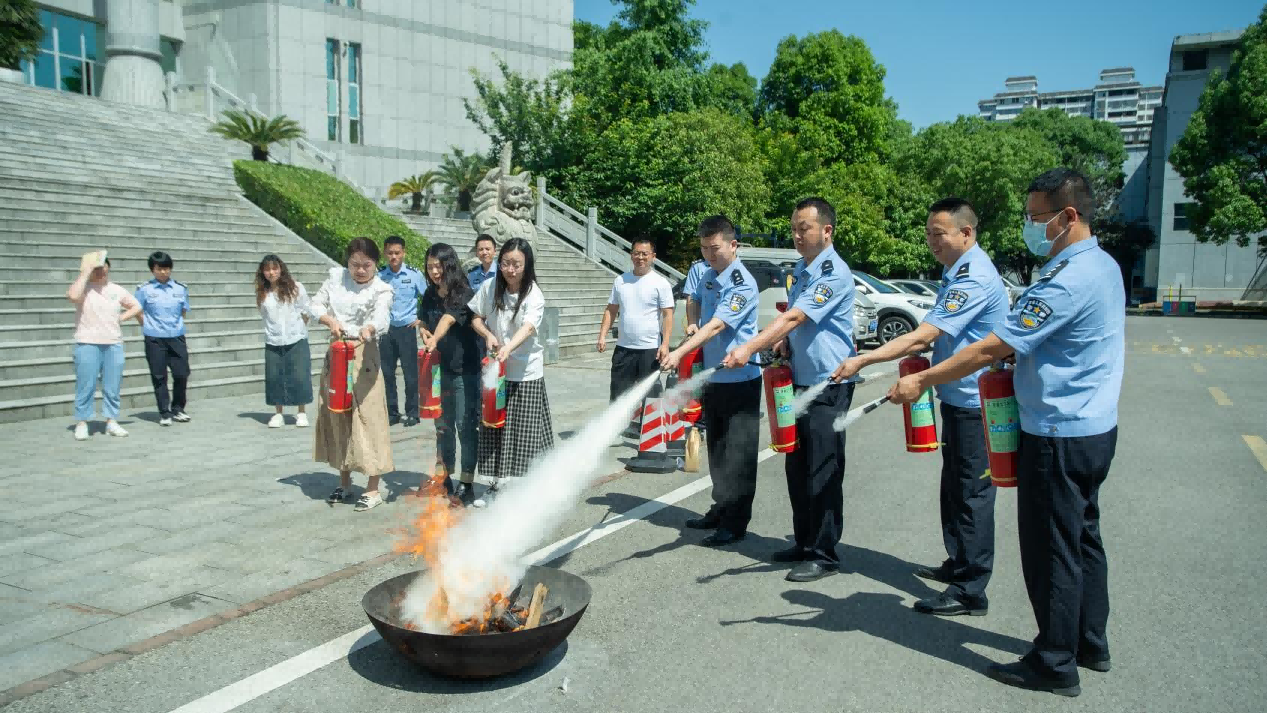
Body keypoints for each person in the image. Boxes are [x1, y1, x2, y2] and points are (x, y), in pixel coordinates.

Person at [888, 168, 1124, 697]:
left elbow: (992, 346)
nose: (1029, 228)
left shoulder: (1068, 278)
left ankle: (1054, 662)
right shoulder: (1103, 266)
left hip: (1058, 434)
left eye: (1037, 218)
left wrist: (922, 378)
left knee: (1051, 548)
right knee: (1084, 537)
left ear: (1068, 216)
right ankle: (1090, 641)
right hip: (1093, 426)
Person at [834, 197, 1009, 613]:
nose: (932, 242)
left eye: (939, 234)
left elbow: (921, 336)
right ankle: (959, 562)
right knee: (955, 487)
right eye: (928, 233)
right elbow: (932, 338)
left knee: (972, 493)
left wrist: (865, 358)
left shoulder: (973, 278)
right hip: (957, 395)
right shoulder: (954, 273)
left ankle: (971, 590)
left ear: (966, 233)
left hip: (975, 401)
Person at [721, 197, 857, 582]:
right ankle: (803, 542)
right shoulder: (802, 268)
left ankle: (824, 552)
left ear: (826, 231)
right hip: (798, 380)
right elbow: (796, 323)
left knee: (822, 469)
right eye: (794, 228)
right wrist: (784, 344)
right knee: (796, 466)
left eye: (805, 228)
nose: (797, 235)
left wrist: (750, 346)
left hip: (828, 384)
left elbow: (797, 315)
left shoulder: (833, 272)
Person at [661, 216, 761, 547]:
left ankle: (735, 522)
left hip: (741, 380)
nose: (708, 255)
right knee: (717, 447)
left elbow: (717, 326)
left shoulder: (742, 283)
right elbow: (694, 301)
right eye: (704, 248)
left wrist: (679, 352)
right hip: (715, 376)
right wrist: (690, 323)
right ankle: (720, 508)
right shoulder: (707, 274)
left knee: (739, 453)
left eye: (714, 248)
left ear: (733, 245)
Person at [311, 237, 396, 512]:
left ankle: (373, 489)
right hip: (337, 350)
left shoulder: (382, 289)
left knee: (369, 419)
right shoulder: (335, 279)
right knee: (337, 414)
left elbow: (382, 317)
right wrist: (329, 320)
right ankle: (344, 481)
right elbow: (315, 305)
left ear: (375, 265)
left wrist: (369, 328)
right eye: (354, 264)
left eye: (366, 265)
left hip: (364, 353)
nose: (360, 271)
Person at [468, 237, 553, 507]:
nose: (510, 270)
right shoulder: (489, 286)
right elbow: (475, 317)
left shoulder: (533, 294)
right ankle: (494, 484)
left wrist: (508, 347)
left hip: (525, 372)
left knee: (523, 432)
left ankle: (526, 487)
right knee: (493, 428)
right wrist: (489, 336)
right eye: (506, 263)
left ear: (527, 266)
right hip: (496, 372)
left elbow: (528, 327)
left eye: (517, 264)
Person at [419, 242, 482, 506]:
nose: (434, 272)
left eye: (439, 266)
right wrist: (423, 331)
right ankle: (444, 477)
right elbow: (424, 319)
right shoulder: (430, 293)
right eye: (430, 266)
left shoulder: (463, 291)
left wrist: (434, 338)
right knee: (442, 427)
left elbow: (447, 319)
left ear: (450, 265)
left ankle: (466, 483)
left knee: (465, 427)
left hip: (464, 371)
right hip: (439, 371)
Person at [597, 238, 673, 437]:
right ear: (631, 255)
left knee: (651, 393)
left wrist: (665, 344)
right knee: (618, 391)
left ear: (653, 257)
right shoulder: (621, 280)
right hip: (624, 347)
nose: (640, 257)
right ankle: (615, 430)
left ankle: (652, 431)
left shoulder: (660, 283)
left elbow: (668, 314)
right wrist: (603, 335)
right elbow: (611, 310)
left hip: (650, 348)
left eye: (645, 254)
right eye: (636, 253)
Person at [67, 252, 142, 441]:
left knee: (112, 386)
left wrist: (121, 318)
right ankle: (82, 422)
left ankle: (111, 421)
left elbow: (136, 306)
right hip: (88, 343)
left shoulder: (116, 290)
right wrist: (85, 273)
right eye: (97, 269)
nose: (101, 272)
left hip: (113, 344)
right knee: (86, 385)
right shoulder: (84, 288)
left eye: (104, 268)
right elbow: (72, 296)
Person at [255, 254, 313, 428]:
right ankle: (278, 414)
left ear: (281, 269)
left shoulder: (296, 287)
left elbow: (306, 310)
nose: (271, 272)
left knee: (300, 375)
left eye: (274, 268)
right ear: (262, 272)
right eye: (267, 269)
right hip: (273, 340)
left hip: (296, 338)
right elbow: (264, 315)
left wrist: (299, 328)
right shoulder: (263, 293)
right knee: (274, 377)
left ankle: (301, 412)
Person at [134, 251, 191, 426]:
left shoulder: (180, 288)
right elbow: (137, 311)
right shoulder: (144, 289)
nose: (164, 272)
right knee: (159, 376)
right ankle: (164, 412)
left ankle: (178, 408)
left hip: (176, 336)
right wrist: (150, 327)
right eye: (160, 269)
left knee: (182, 373)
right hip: (154, 339)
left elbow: (183, 311)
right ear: (153, 269)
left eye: (167, 268)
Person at [378, 236, 426, 427]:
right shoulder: (379, 276)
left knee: (410, 373)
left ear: (403, 253)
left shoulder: (414, 275)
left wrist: (421, 319)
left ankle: (413, 412)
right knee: (387, 373)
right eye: (390, 253)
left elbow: (428, 297)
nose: (394, 256)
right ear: (384, 253)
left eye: (397, 253)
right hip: (386, 330)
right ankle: (392, 412)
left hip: (407, 329)